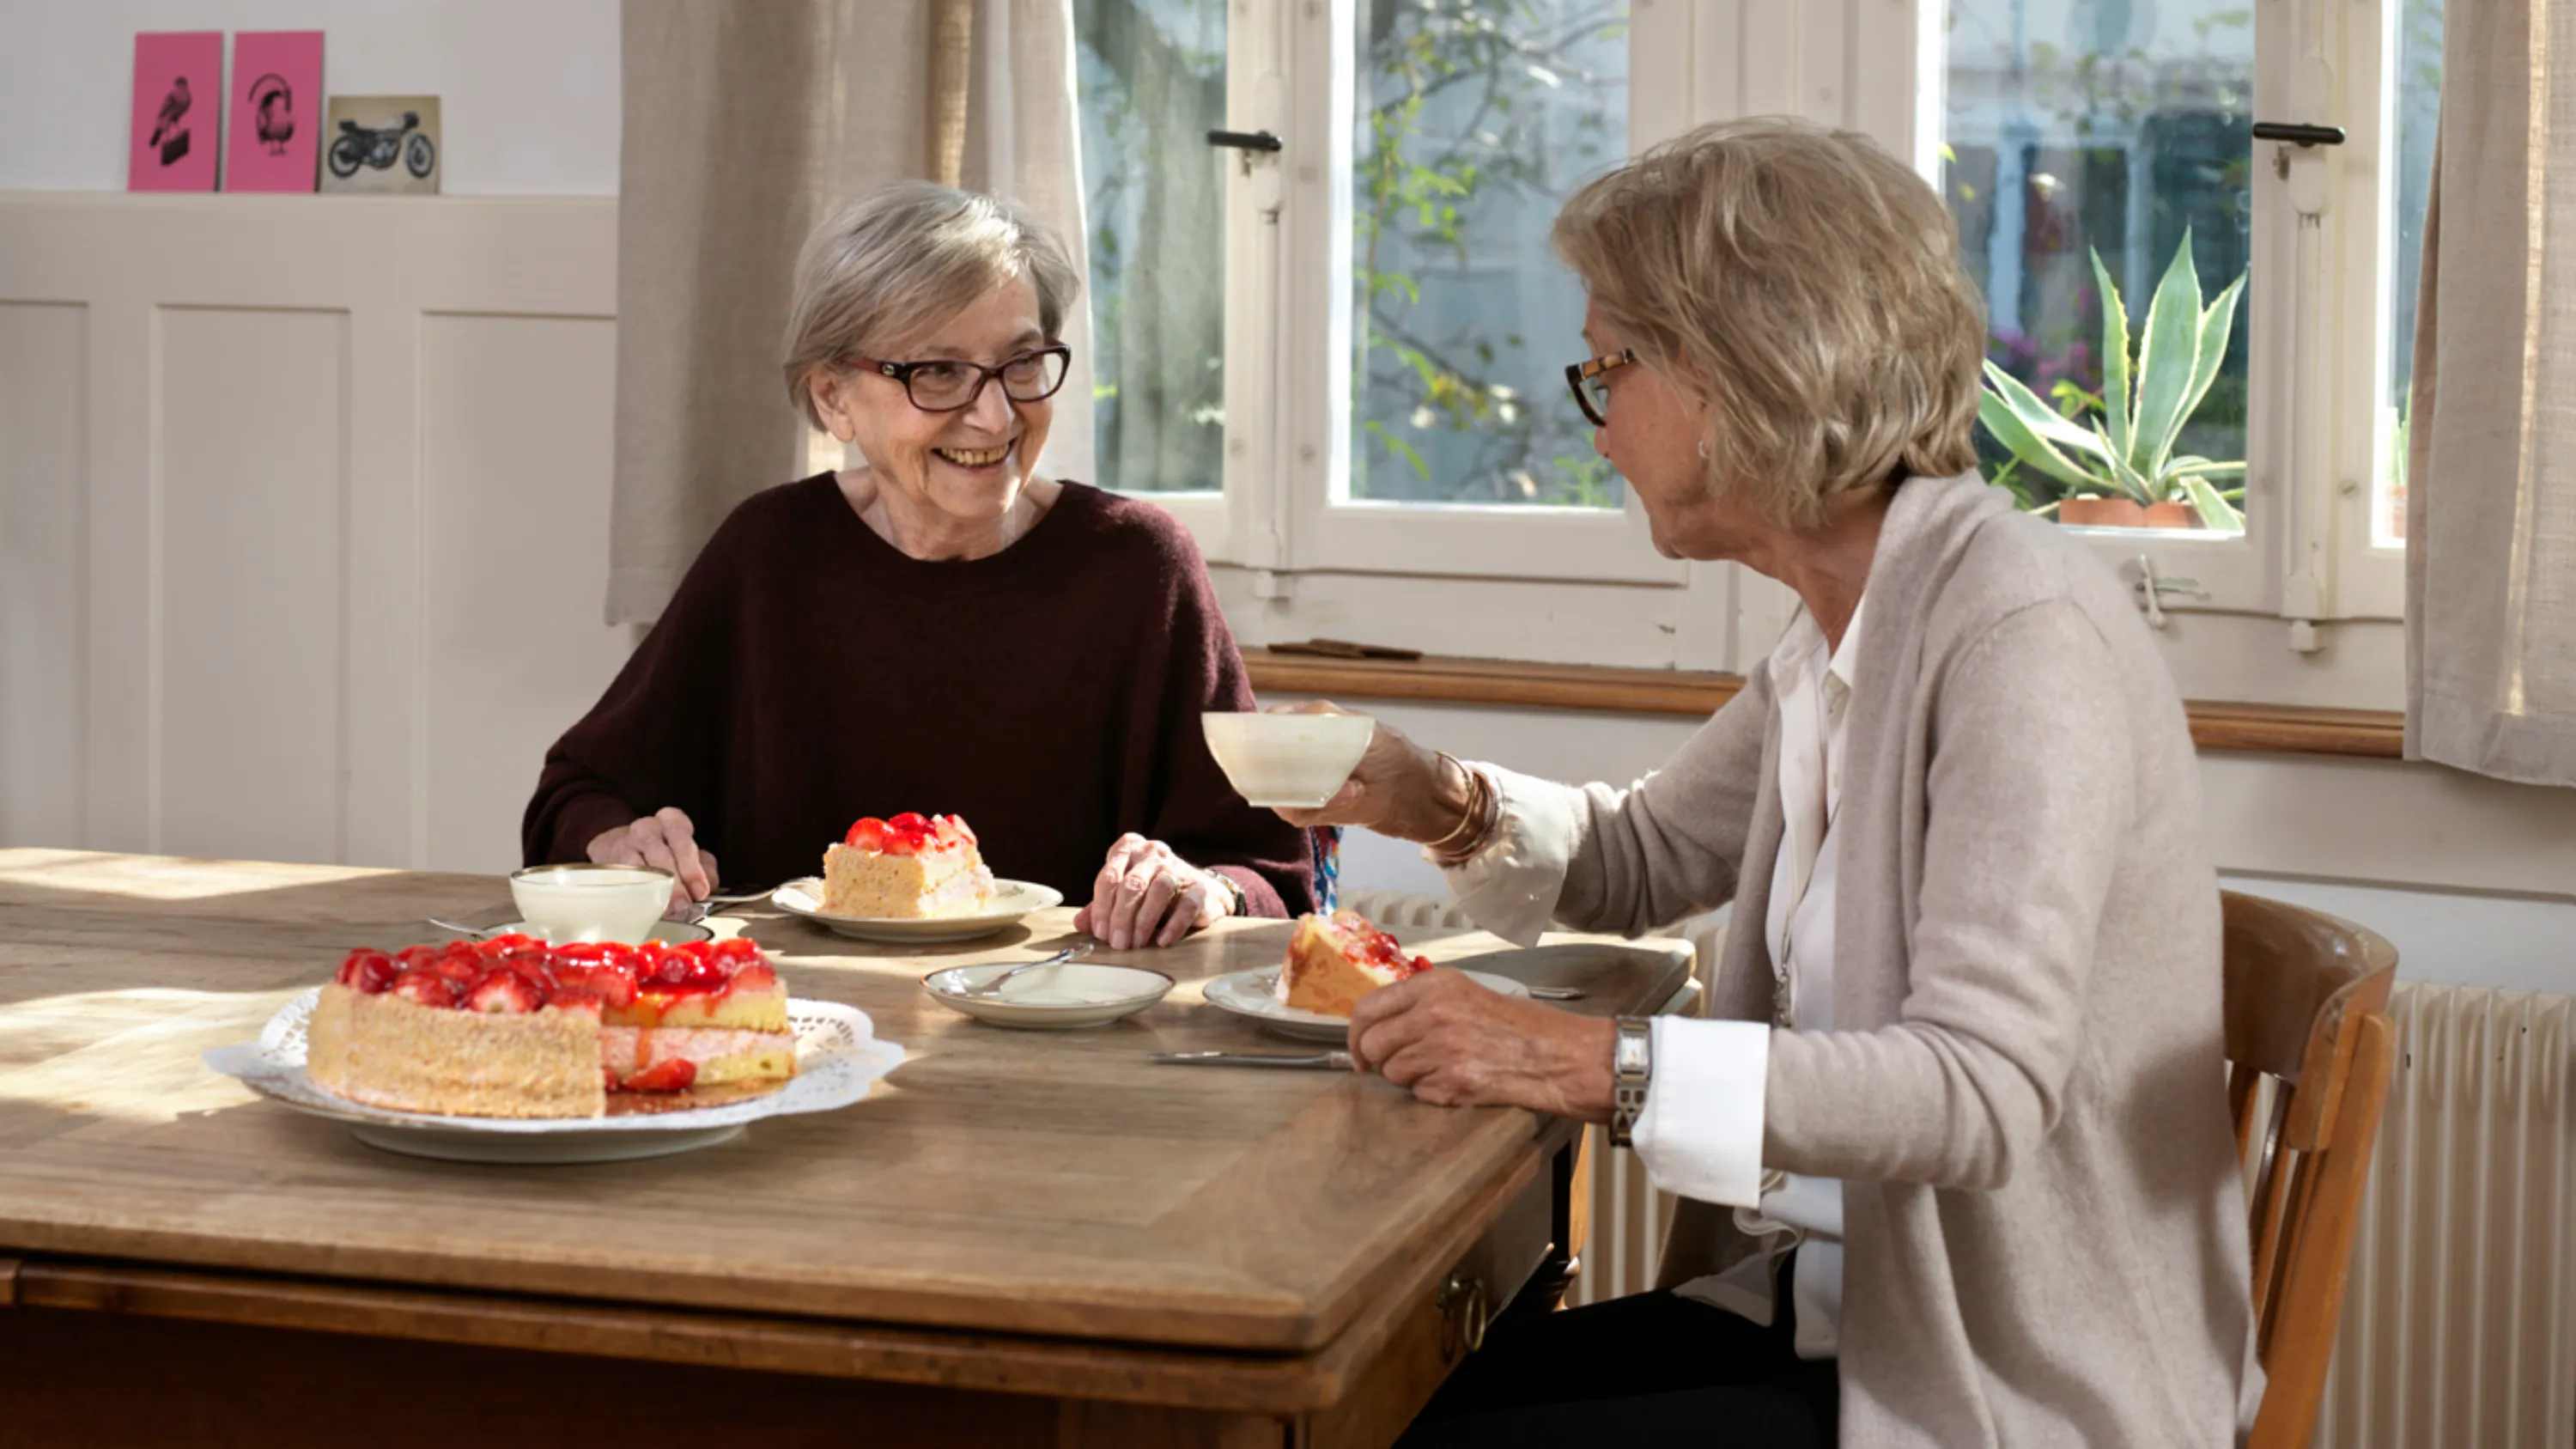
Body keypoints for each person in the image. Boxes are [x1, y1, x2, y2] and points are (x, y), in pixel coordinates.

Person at [1278, 119, 2258, 1446]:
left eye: (1609, 365)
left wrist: (1593, 1063)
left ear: (1745, 368)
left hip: (2000, 1384)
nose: (1600, 421)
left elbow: (1977, 1091)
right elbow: (1639, 855)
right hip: (1833, 1310)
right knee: (1371, 1395)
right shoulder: (1849, 623)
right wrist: (1417, 788)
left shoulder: (2021, 632)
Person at [524, 182, 1313, 947]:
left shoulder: (1139, 566)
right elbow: (574, 795)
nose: (996, 414)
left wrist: (1206, 887)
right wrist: (621, 841)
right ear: (833, 396)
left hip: (1072, 1037)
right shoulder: (770, 553)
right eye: (937, 372)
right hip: (792, 1030)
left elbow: (1270, 872)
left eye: (1023, 362)